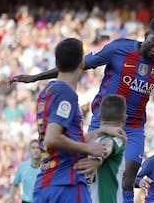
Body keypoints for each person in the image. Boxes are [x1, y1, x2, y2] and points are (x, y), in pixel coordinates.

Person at [10, 17, 154, 203]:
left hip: (133, 128)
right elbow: (77, 65)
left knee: (128, 177)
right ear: (146, 34)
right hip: (103, 121)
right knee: (89, 172)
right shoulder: (119, 48)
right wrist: (36, 77)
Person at [32, 38, 109, 203]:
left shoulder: (47, 92)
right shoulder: (66, 94)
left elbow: (65, 137)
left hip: (46, 183)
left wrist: (101, 131)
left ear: (57, 62)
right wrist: (88, 148)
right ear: (82, 63)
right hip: (66, 184)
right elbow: (52, 138)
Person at [90, 94, 127, 203]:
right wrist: (99, 158)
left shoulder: (87, 142)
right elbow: (108, 144)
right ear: (124, 119)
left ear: (99, 116)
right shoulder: (118, 138)